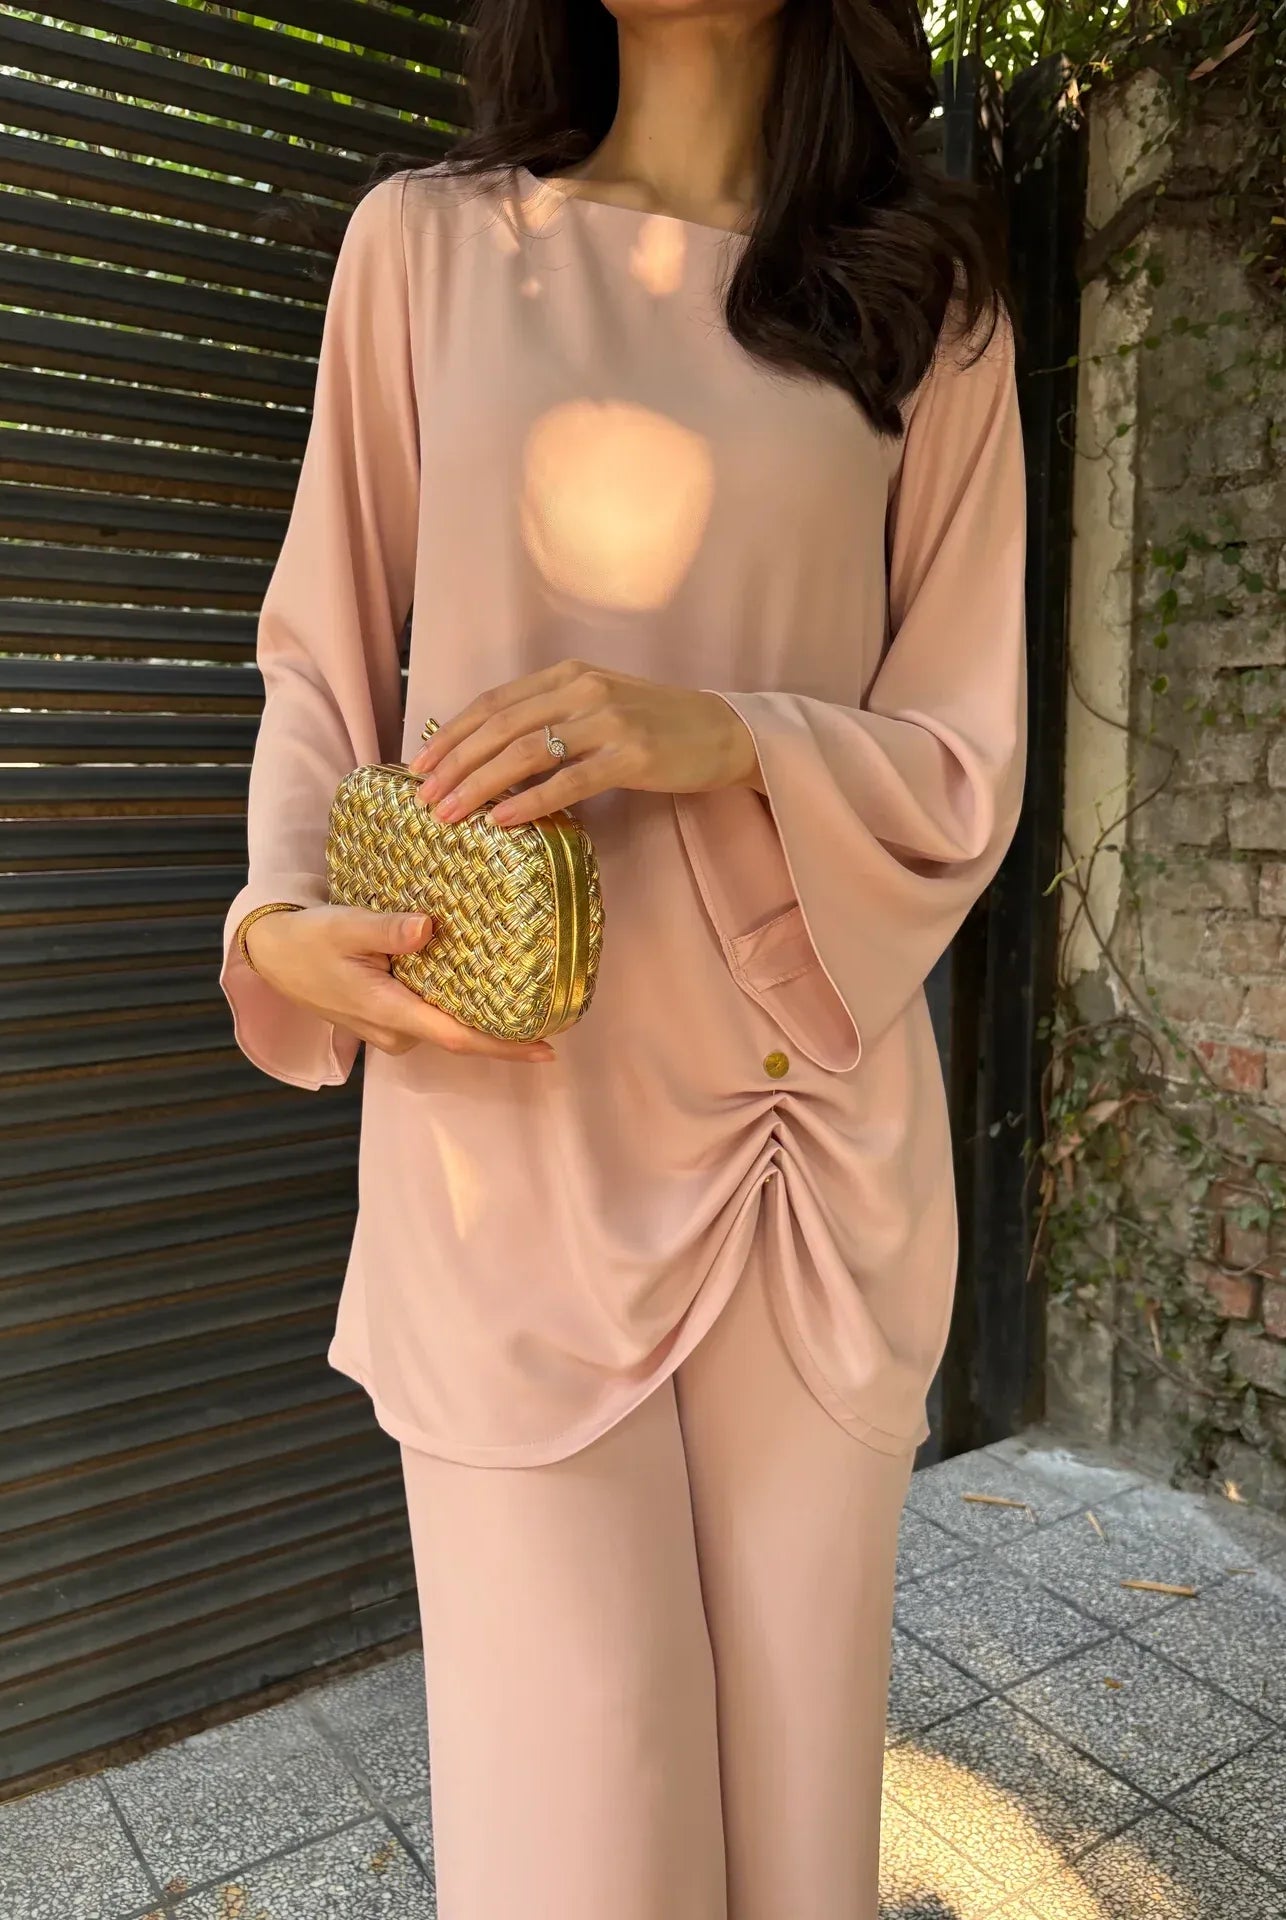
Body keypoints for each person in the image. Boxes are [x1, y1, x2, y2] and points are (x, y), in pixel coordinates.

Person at [218, 0, 1028, 1910]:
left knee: (795, 1842)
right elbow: (322, 655)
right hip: (505, 1146)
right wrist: (275, 915)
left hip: (798, 1158)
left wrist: (723, 734)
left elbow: (963, 765)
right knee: (576, 1842)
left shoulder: (934, 309)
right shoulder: (424, 248)